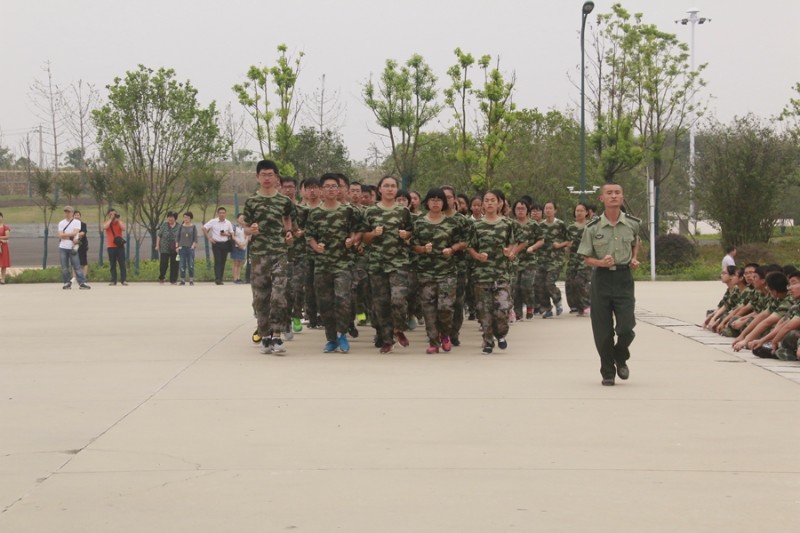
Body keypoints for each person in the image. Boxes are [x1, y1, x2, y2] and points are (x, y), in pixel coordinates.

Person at [577, 182, 640, 386]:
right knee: (603, 331)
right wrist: (600, 262)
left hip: (623, 279)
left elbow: (635, 242)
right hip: (602, 280)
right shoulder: (592, 228)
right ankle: (608, 371)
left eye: (617, 193)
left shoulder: (632, 223)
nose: (614, 196)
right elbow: (586, 258)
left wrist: (634, 258)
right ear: (601, 199)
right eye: (609, 193)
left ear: (622, 197)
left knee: (626, 327)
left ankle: (620, 356)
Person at [305, 173, 363, 353]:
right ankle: (331, 339)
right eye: (327, 186)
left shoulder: (347, 211)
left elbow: (358, 231)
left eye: (334, 186)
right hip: (322, 265)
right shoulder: (315, 213)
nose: (330, 189)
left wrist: (352, 240)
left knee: (343, 300)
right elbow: (309, 236)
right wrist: (316, 247)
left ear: (339, 190)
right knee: (325, 303)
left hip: (343, 264)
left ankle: (342, 334)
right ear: (322, 190)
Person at [243, 159, 295, 355]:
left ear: (276, 177)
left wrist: (288, 231)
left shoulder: (283, 201)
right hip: (258, 255)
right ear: (257, 177)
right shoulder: (252, 201)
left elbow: (289, 217)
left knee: (279, 295)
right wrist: (251, 230)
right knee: (260, 297)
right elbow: (245, 225)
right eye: (263, 175)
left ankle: (277, 335)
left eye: (270, 174)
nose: (267, 178)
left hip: (279, 253)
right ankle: (265, 335)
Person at [468, 189, 523, 354]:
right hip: (482, 275)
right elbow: (470, 246)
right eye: (487, 200)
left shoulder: (507, 224)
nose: (490, 203)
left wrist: (510, 252)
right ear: (483, 204)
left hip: (501, 274)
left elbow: (514, 243)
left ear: (500, 203)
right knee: (484, 311)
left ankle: (500, 334)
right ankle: (487, 341)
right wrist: (478, 256)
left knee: (502, 309)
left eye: (493, 200)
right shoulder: (475, 225)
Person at [362, 175, 413, 353]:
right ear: (380, 189)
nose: (390, 189)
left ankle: (399, 328)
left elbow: (412, 233)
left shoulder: (404, 211)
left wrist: (406, 235)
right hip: (377, 263)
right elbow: (364, 238)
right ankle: (386, 339)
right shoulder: (370, 212)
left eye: (393, 186)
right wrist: (373, 234)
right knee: (381, 303)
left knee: (398, 299)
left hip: (398, 261)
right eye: (386, 186)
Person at [411, 188, 463, 353]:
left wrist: (452, 249)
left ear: (444, 203)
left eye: (439, 200)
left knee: (445, 307)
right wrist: (422, 249)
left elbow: (462, 243)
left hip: (447, 272)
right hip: (426, 272)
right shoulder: (419, 222)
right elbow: (412, 246)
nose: (435, 202)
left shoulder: (451, 223)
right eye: (432, 199)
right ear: (427, 202)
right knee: (429, 308)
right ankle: (433, 342)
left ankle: (445, 335)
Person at [535, 201, 569, 318]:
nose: (548, 210)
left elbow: (569, 240)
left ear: (555, 210)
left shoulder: (560, 224)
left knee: (549, 283)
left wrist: (559, 245)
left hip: (556, 260)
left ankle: (557, 299)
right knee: (539, 284)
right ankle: (546, 308)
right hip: (542, 260)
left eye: (550, 208)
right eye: (546, 208)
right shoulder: (540, 226)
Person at [565, 202, 592, 316]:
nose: (579, 213)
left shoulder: (591, 226)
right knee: (570, 283)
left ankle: (587, 304)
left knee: (580, 282)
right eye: (577, 211)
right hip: (573, 258)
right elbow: (566, 242)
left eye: (581, 210)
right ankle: (576, 306)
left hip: (585, 257)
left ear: (586, 212)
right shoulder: (570, 227)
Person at [58, 206, 91, 290]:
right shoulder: (61, 223)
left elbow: (75, 232)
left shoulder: (77, 222)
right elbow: (60, 235)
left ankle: (82, 282)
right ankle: (67, 282)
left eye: (69, 212)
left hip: (72, 247)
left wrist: (65, 235)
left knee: (77, 265)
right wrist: (69, 235)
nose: (67, 213)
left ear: (72, 213)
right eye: (66, 212)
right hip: (63, 247)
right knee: (64, 267)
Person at [203, 207, 234, 285]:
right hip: (216, 243)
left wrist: (226, 234)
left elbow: (232, 233)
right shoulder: (213, 221)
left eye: (223, 213)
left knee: (223, 261)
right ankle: (217, 278)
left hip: (225, 243)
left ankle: (221, 278)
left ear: (225, 214)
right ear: (218, 214)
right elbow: (204, 228)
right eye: (220, 213)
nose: (222, 214)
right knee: (217, 260)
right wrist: (209, 238)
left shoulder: (228, 222)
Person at [103, 208, 127, 286]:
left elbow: (124, 228)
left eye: (114, 214)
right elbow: (105, 227)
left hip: (119, 246)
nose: (113, 216)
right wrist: (111, 219)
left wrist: (118, 219)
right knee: (112, 264)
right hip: (111, 246)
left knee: (122, 263)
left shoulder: (119, 222)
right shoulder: (107, 222)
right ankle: (113, 280)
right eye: (111, 214)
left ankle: (123, 280)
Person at [156, 211, 181, 284]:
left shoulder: (179, 227)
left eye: (172, 217)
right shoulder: (164, 225)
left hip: (175, 248)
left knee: (175, 264)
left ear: (175, 218)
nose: (170, 219)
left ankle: (173, 280)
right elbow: (159, 235)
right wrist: (157, 245)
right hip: (164, 247)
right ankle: (162, 277)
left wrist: (179, 246)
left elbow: (181, 237)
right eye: (169, 217)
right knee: (163, 263)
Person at [177, 212, 198, 285]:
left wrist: (193, 245)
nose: (186, 219)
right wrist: (177, 246)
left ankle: (191, 279)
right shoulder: (181, 226)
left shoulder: (193, 227)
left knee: (191, 264)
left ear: (190, 218)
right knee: (182, 264)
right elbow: (178, 237)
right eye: (184, 217)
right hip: (182, 248)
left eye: (187, 217)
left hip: (190, 248)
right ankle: (182, 280)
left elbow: (195, 238)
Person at [231, 213, 249, 284]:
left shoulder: (245, 227)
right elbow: (233, 236)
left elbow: (247, 236)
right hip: (236, 246)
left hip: (243, 246)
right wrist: (239, 244)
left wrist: (244, 243)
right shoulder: (234, 227)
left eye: (243, 218)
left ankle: (239, 277)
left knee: (240, 263)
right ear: (237, 219)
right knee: (236, 262)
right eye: (241, 218)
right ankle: (235, 278)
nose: (242, 220)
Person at [73, 210, 89, 282]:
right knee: (74, 262)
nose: (77, 216)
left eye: (78, 215)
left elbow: (83, 233)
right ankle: (74, 277)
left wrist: (75, 234)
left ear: (80, 216)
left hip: (82, 245)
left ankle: (83, 277)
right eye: (75, 215)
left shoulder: (83, 224)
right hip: (73, 245)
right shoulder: (71, 224)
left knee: (84, 262)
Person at [0, 211, 10, 284]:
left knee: (3, 264)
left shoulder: (6, 227)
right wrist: (1, 239)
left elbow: (7, 236)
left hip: (3, 247)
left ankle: (3, 279)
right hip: (2, 243)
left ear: (2, 217)